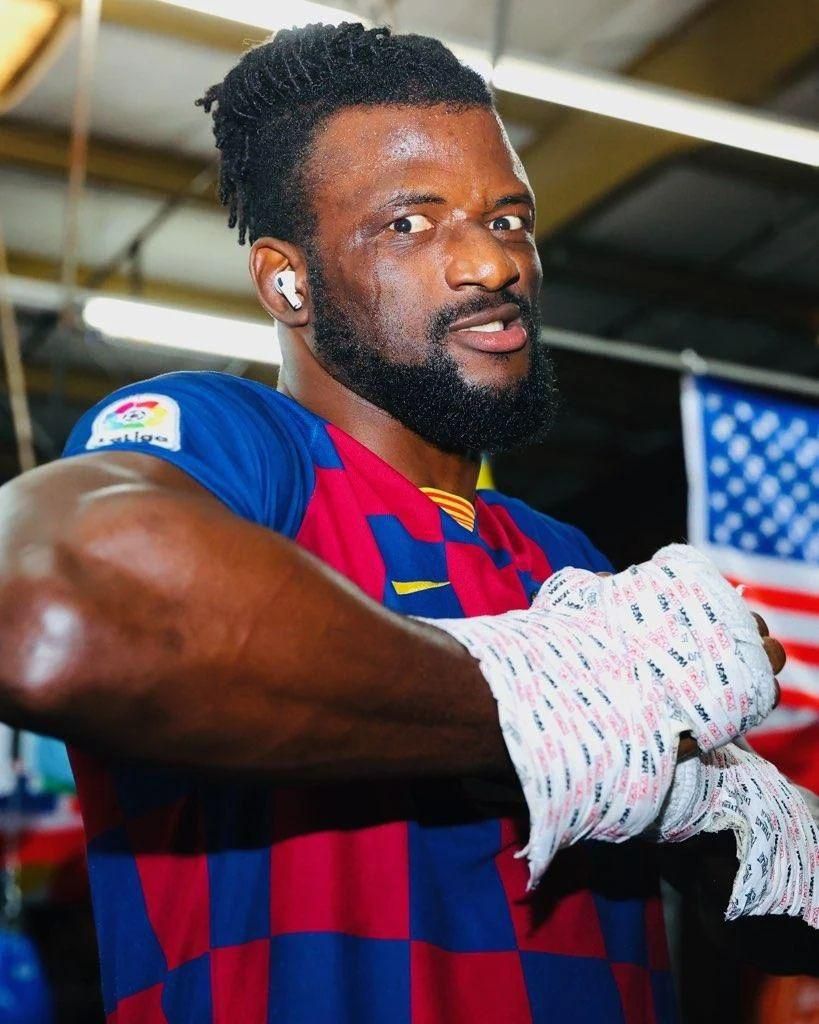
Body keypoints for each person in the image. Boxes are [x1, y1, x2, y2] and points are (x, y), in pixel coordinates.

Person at [0, 23, 792, 1023]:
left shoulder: (571, 563)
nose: (490, 265)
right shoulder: (241, 450)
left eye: (508, 219)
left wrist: (751, 837)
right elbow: (51, 609)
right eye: (410, 225)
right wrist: (544, 704)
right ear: (288, 280)